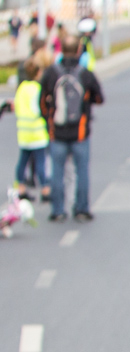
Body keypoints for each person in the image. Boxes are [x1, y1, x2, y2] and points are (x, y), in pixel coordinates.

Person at [40, 36, 103, 222]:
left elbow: (42, 102)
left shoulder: (51, 73)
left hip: (56, 132)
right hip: (80, 133)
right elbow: (99, 98)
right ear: (79, 51)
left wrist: (49, 121)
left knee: (57, 172)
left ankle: (58, 210)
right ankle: (82, 208)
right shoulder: (85, 74)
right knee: (81, 171)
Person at [11, 56, 50, 202]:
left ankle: (20, 187)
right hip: (37, 131)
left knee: (23, 161)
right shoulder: (37, 89)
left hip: (23, 131)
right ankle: (45, 189)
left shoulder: (21, 88)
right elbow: (38, 109)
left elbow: (17, 107)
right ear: (38, 72)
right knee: (40, 161)